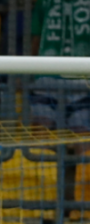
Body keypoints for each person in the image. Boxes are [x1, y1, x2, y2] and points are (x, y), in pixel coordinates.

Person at [29, 0, 90, 153]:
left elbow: (35, 42)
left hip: (71, 78)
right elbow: (36, 40)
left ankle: (43, 173)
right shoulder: (43, 3)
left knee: (42, 131)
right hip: (68, 77)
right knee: (82, 135)